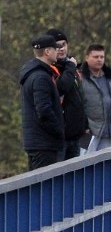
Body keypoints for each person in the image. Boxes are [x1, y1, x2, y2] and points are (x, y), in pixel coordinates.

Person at [19, 35, 65, 170]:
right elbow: (44, 110)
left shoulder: (32, 73)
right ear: (47, 52)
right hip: (44, 143)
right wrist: (59, 130)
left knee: (36, 187)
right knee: (45, 188)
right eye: (56, 49)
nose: (58, 52)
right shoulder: (41, 77)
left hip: (36, 141)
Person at [46, 29, 87, 159]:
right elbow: (61, 87)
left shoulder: (72, 68)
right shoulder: (50, 69)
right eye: (57, 46)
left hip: (75, 136)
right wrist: (70, 67)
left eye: (63, 44)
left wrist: (85, 124)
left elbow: (79, 99)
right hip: (59, 138)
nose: (61, 49)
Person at [80, 44, 111, 152]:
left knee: (105, 164)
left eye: (102, 57)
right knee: (86, 163)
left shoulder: (110, 76)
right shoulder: (80, 77)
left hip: (108, 129)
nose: (99, 60)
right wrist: (83, 125)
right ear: (87, 57)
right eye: (96, 57)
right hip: (88, 132)